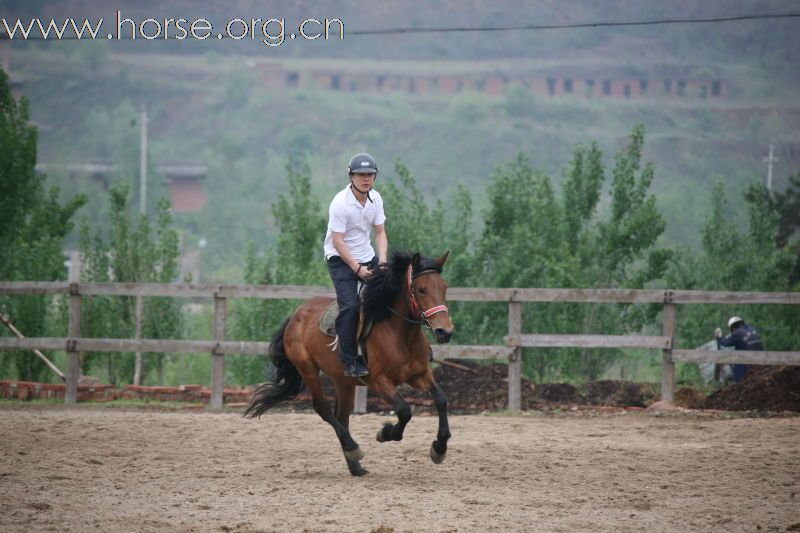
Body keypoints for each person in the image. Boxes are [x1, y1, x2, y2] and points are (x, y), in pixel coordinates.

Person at [323, 153, 388, 377]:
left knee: (395, 292)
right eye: (361, 175)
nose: (366, 179)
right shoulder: (340, 203)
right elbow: (337, 241)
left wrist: (382, 260)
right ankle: (350, 361)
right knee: (350, 306)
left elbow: (380, 232)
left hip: (367, 255)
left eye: (370, 175)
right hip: (341, 259)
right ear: (351, 177)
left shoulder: (376, 199)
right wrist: (357, 269)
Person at [714, 316, 763, 383]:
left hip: (748, 362)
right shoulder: (753, 329)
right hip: (762, 359)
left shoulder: (737, 333)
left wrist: (719, 336)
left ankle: (740, 384)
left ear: (733, 327)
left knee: (737, 371)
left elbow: (724, 343)